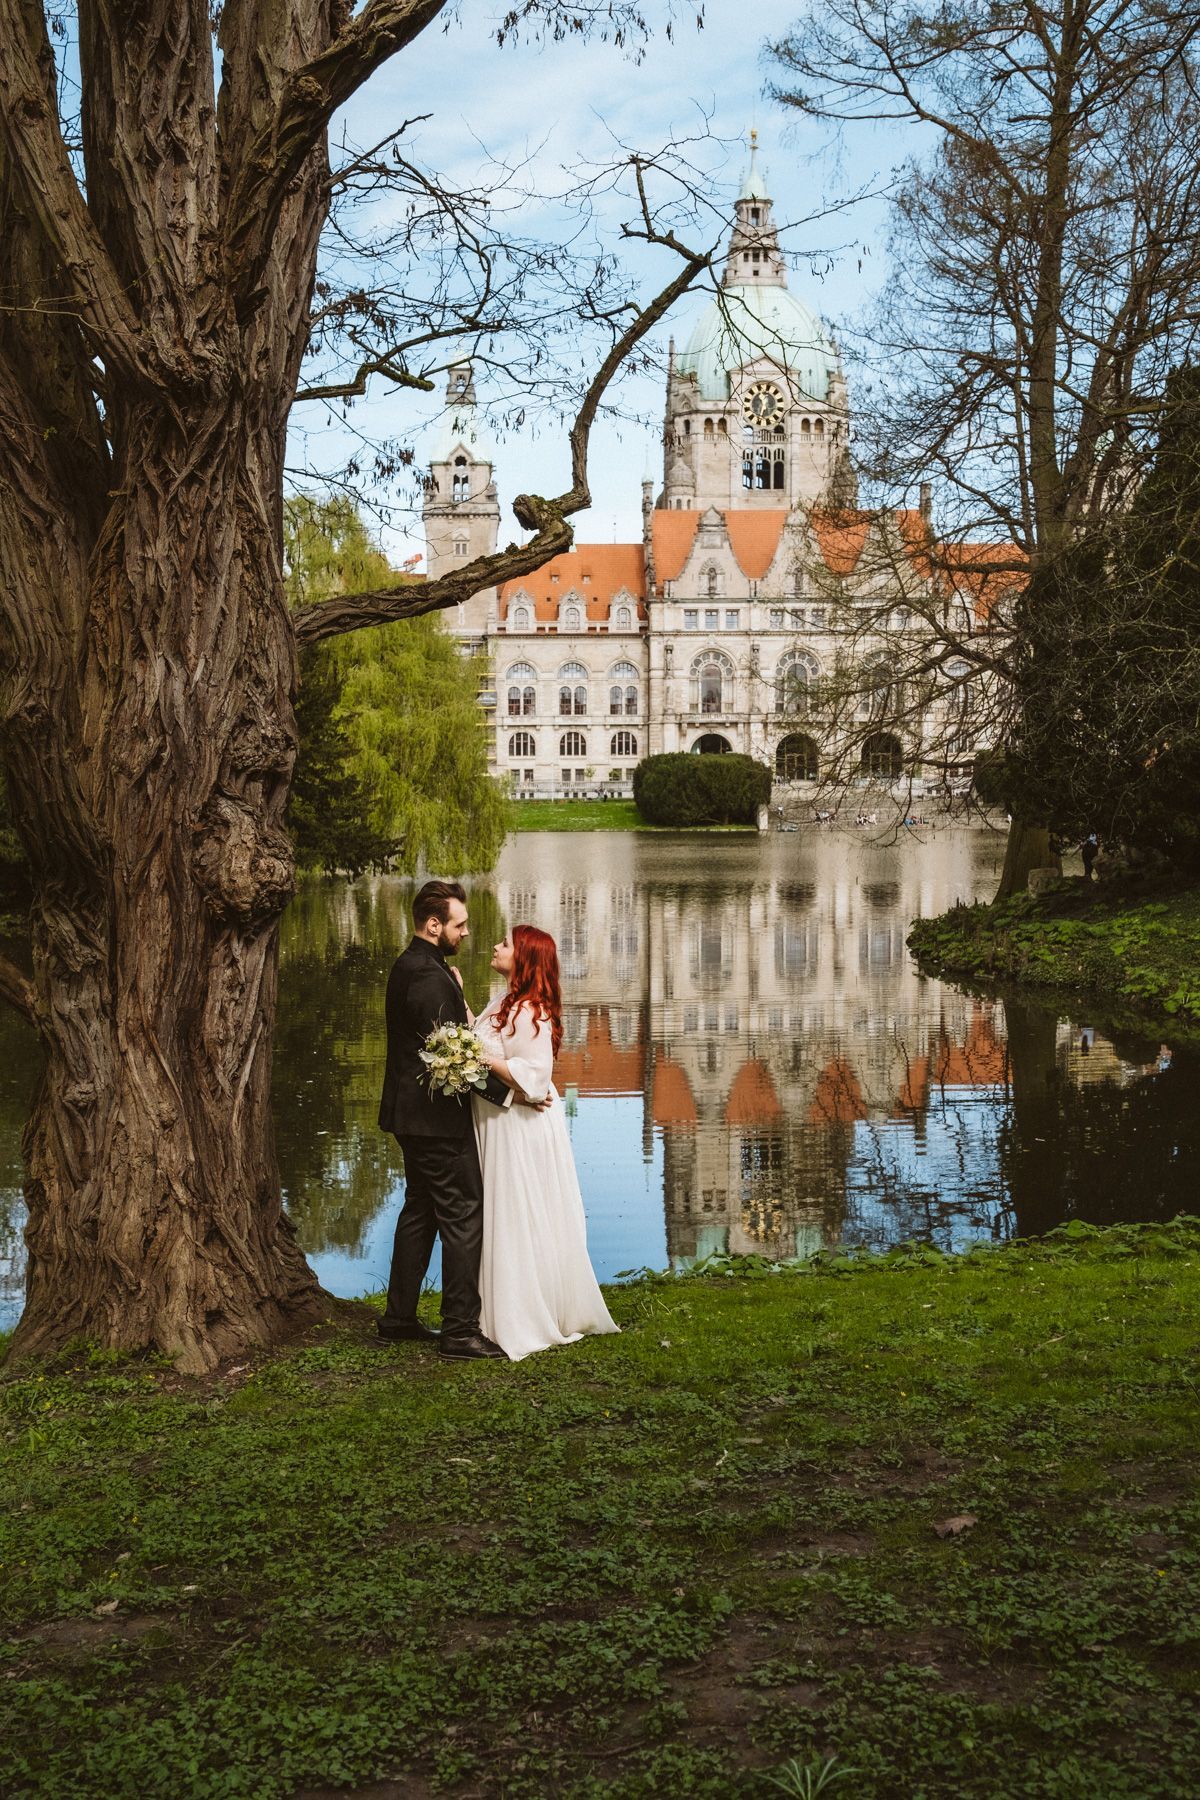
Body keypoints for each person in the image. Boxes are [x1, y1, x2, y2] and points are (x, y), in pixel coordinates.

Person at [377, 880, 527, 1361]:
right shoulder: (427, 978)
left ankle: (398, 1319)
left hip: (410, 1115)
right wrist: (512, 1095)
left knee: (420, 1210)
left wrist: (456, 994)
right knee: (463, 1214)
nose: (467, 932)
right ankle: (459, 1331)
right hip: (434, 1120)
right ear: (433, 924)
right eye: (459, 924)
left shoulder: (416, 966)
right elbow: (453, 1058)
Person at [470, 925, 619, 1362]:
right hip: (500, 1121)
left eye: (505, 944)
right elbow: (487, 1042)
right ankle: (494, 1309)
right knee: (504, 1210)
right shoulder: (506, 1001)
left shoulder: (532, 1010)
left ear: (524, 958)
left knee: (517, 1210)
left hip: (518, 1127)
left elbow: (534, 1080)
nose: (496, 947)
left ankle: (521, 1314)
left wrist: (478, 1058)